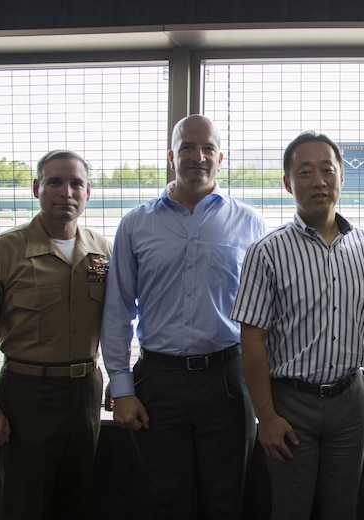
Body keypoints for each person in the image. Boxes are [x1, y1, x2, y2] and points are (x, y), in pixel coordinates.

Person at [101, 114, 265, 519]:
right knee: (165, 499)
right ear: (171, 156)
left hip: (226, 378)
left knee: (227, 499)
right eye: (188, 147)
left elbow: (265, 313)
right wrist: (121, 387)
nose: (199, 156)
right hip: (158, 383)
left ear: (221, 158)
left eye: (208, 148)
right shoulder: (136, 224)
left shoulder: (250, 223)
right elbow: (118, 309)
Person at [230, 131, 364, 520]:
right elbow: (252, 339)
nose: (318, 181)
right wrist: (266, 416)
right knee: (290, 508)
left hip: (350, 400)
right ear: (287, 183)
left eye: (327, 170)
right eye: (305, 172)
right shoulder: (267, 251)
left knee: (343, 507)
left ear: (342, 177)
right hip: (290, 403)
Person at [0, 150, 111, 519]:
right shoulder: (0, 251)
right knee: (25, 505)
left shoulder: (102, 251)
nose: (66, 192)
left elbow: (119, 322)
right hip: (27, 396)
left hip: (84, 395)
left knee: (77, 503)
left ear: (88, 192)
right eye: (55, 182)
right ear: (36, 188)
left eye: (76, 183)